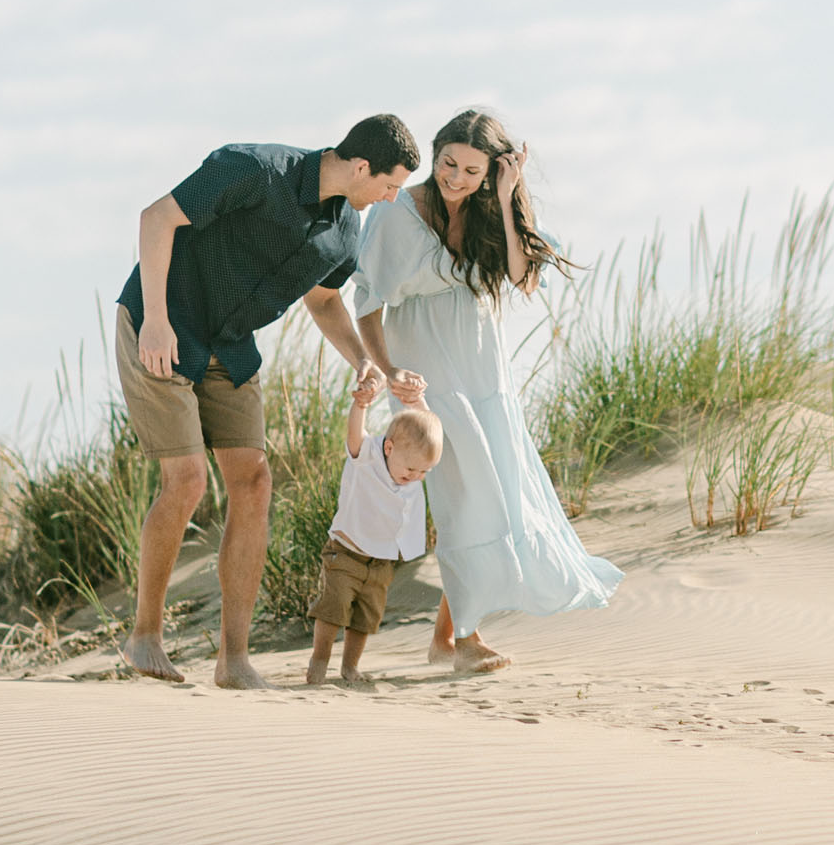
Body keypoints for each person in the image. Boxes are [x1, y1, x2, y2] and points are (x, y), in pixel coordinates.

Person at [115, 113, 423, 691]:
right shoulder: (255, 169)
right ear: (361, 167)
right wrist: (155, 320)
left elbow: (325, 300)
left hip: (230, 348)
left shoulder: (344, 231)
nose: (390, 197)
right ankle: (145, 636)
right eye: (389, 185)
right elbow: (156, 218)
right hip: (165, 325)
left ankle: (233, 660)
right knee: (185, 481)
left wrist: (363, 361)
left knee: (254, 481)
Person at [354, 109, 623, 674]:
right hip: (428, 378)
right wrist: (387, 370)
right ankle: (462, 641)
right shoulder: (398, 214)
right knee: (463, 500)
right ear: (435, 155)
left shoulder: (486, 213)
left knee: (491, 498)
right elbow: (368, 304)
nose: (455, 178)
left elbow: (525, 278)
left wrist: (504, 199)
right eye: (448, 163)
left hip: (484, 375)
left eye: (472, 171)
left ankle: (447, 639)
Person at [306, 381, 443, 685]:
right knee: (333, 609)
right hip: (345, 552)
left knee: (365, 619)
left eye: (424, 473)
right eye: (411, 471)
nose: (415, 478)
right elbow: (354, 435)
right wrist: (361, 405)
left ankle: (350, 667)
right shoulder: (366, 456)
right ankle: (319, 661)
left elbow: (431, 432)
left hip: (381, 562)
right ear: (389, 447)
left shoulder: (413, 467)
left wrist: (418, 402)